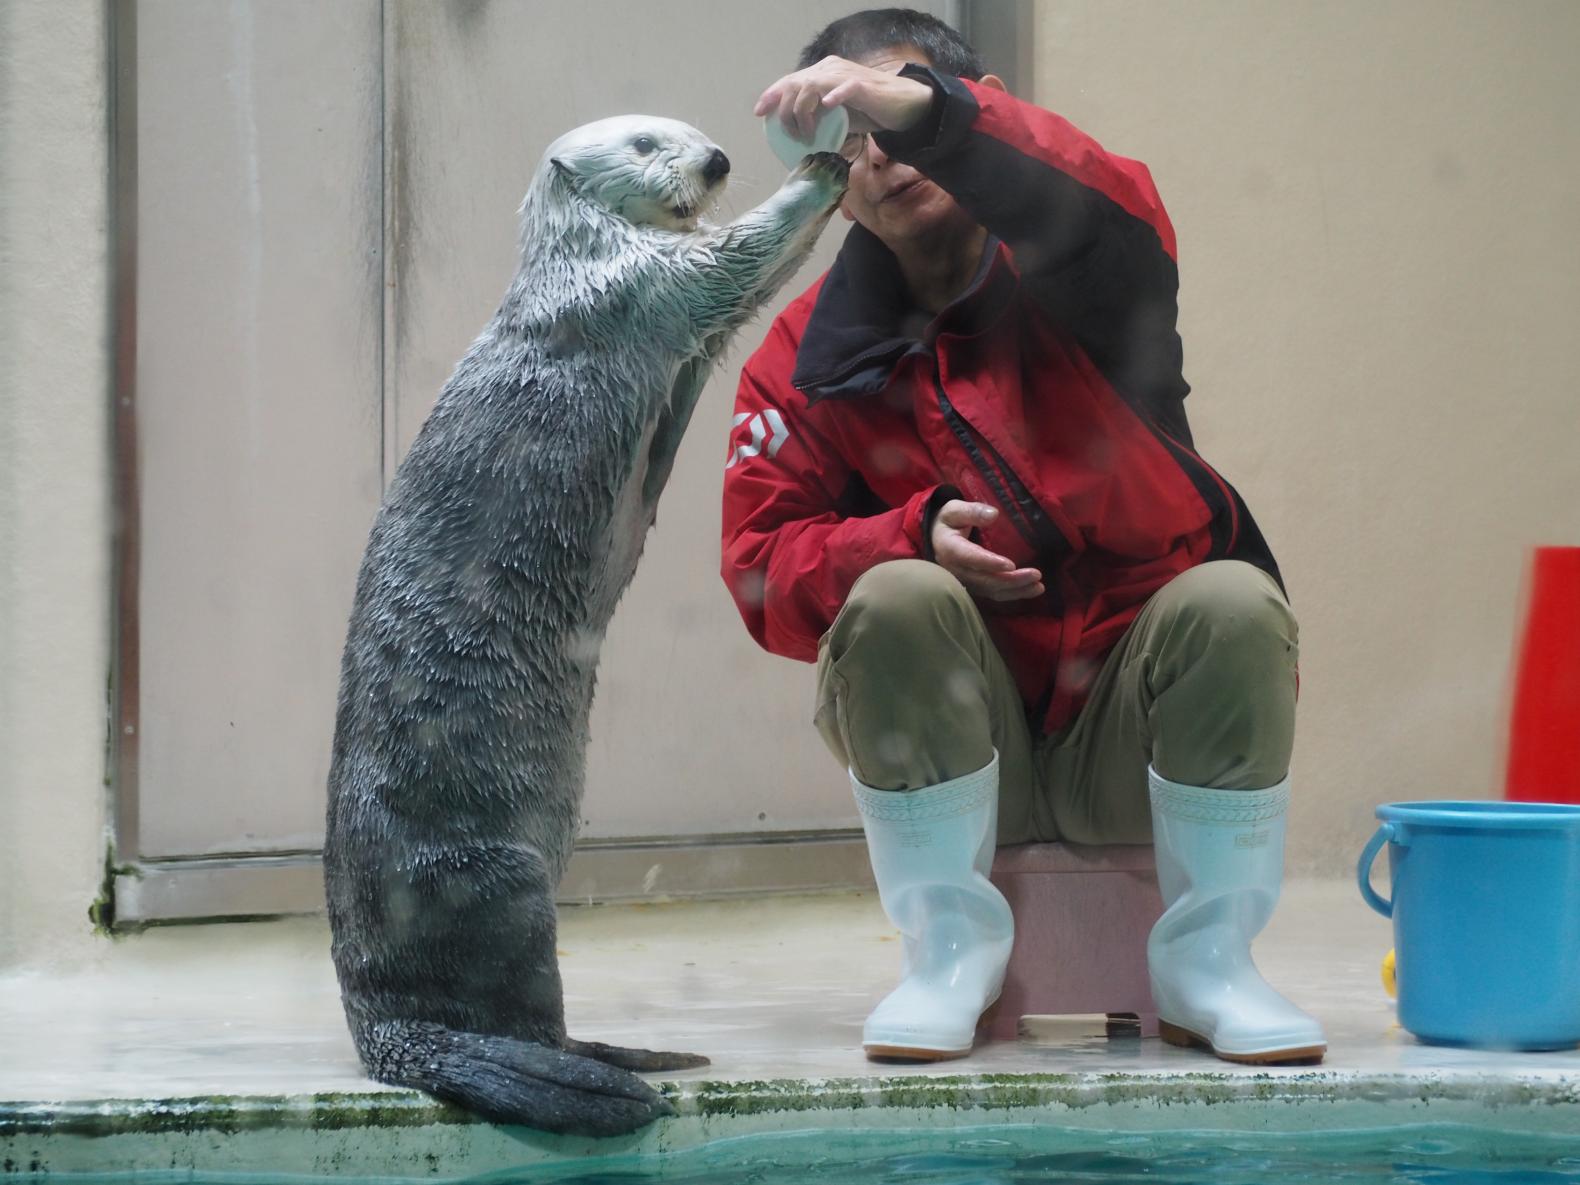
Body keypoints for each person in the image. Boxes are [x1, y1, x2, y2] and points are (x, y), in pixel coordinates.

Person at [721, 8, 1326, 1066]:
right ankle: (946, 952)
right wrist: (900, 538)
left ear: (963, 105)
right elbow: (760, 571)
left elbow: (1093, 189)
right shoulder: (801, 354)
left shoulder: (1094, 264)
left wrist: (927, 117)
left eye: (893, 115)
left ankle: (1208, 963)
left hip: (1129, 734)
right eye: (846, 138)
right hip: (966, 742)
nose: (877, 156)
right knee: (895, 596)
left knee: (1229, 600)